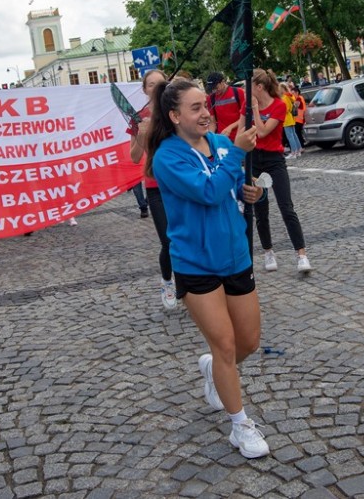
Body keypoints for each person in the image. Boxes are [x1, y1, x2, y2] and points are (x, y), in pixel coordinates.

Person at [145, 78, 269, 458]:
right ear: (174, 115)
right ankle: (240, 426)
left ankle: (215, 368)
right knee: (225, 345)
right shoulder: (167, 157)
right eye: (196, 107)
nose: (205, 113)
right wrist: (238, 152)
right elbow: (207, 191)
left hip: (235, 255)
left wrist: (251, 191)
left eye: (206, 105)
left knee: (249, 342)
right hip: (196, 263)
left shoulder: (220, 143)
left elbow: (231, 187)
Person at [249, 69, 312, 274]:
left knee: (286, 207)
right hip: (255, 159)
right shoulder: (249, 105)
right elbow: (244, 129)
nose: (248, 91)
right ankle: (268, 252)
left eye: (250, 86)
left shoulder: (278, 104)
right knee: (261, 210)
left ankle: (301, 254)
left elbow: (262, 131)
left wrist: (255, 110)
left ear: (259, 87)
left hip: (274, 160)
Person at [129, 69, 176, 310]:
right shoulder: (139, 117)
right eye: (151, 84)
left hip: (179, 183)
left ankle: (189, 284)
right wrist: (142, 135)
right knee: (168, 241)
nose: (157, 87)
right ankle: (167, 281)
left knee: (187, 237)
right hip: (155, 186)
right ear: (144, 89)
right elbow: (135, 157)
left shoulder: (174, 112)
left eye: (161, 82)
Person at [204, 72, 245, 140]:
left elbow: (246, 117)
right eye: (212, 89)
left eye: (216, 87)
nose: (214, 90)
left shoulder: (238, 92)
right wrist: (210, 138)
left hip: (239, 136)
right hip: (222, 137)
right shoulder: (210, 98)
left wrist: (230, 127)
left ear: (223, 82)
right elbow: (212, 122)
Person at [279, 82, 302, 158]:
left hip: (287, 118)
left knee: (290, 136)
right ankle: (298, 150)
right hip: (291, 117)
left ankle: (293, 152)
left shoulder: (284, 97)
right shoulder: (290, 96)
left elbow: (286, 109)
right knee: (294, 135)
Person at [290, 83, 307, 150]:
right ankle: (301, 146)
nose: (292, 95)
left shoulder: (298, 98)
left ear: (297, 92)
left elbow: (294, 107)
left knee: (297, 133)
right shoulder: (300, 98)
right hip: (299, 118)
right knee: (298, 133)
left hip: (298, 119)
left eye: (293, 93)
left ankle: (301, 147)